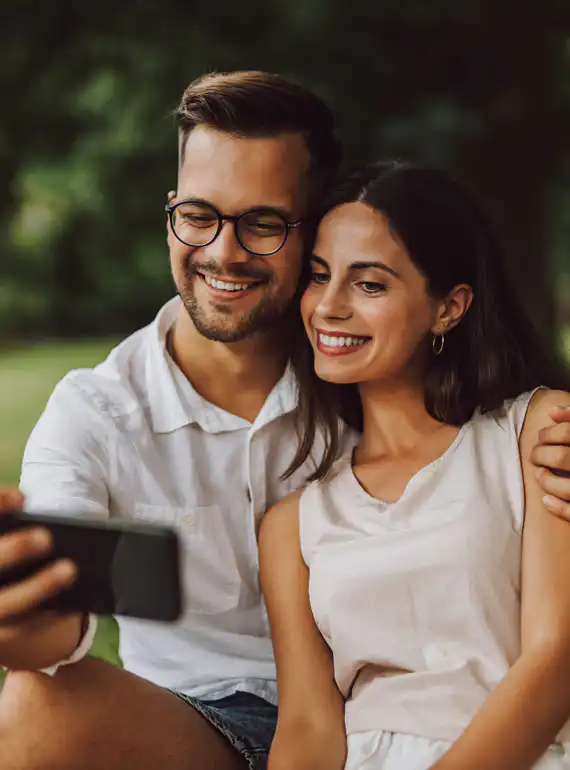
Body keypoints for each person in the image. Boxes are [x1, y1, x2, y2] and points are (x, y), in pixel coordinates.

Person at [0, 73, 568, 770]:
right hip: (199, 723)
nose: (224, 252)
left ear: (313, 225)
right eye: (199, 215)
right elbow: (54, 622)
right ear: (171, 210)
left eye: (263, 224)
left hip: (390, 718)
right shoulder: (99, 413)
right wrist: (20, 609)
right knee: (32, 703)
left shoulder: (373, 365)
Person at [259, 161, 570, 770]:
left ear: (449, 308)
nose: (328, 306)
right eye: (319, 276)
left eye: (369, 285)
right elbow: (307, 726)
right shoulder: (291, 526)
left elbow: (556, 655)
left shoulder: (537, 435)